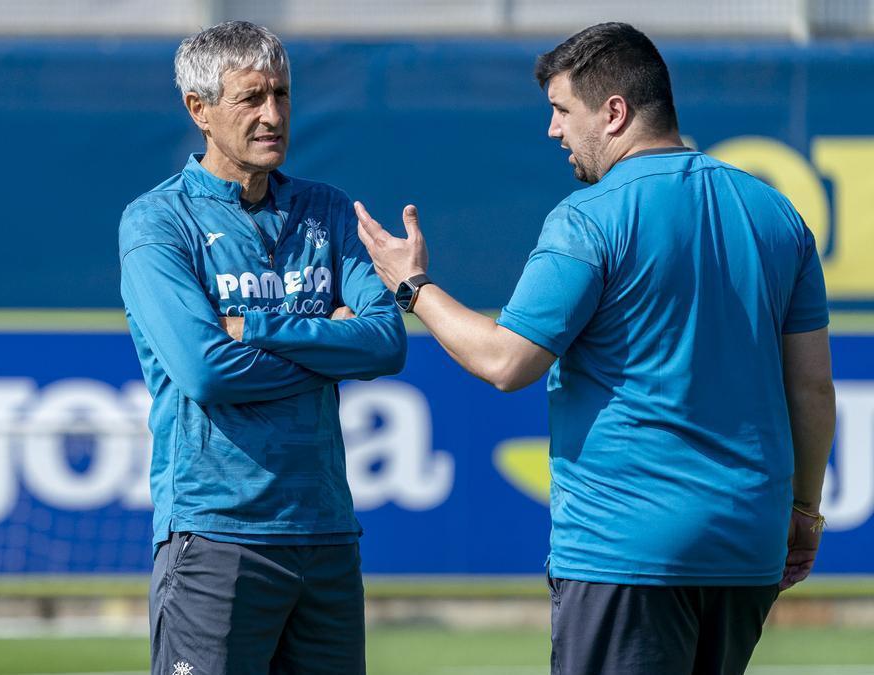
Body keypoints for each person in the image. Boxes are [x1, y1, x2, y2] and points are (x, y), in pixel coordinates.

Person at [355, 22, 835, 675]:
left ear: (614, 113)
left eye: (561, 110)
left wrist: (413, 286)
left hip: (626, 550)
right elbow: (810, 388)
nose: (553, 130)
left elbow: (505, 361)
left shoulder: (591, 218)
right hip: (745, 547)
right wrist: (804, 513)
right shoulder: (776, 213)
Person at [118, 20, 406, 675]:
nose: (272, 114)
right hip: (218, 535)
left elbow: (387, 342)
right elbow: (206, 370)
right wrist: (330, 341)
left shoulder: (328, 211)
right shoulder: (158, 221)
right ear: (200, 110)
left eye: (281, 94)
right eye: (251, 98)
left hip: (326, 534)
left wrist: (259, 328)